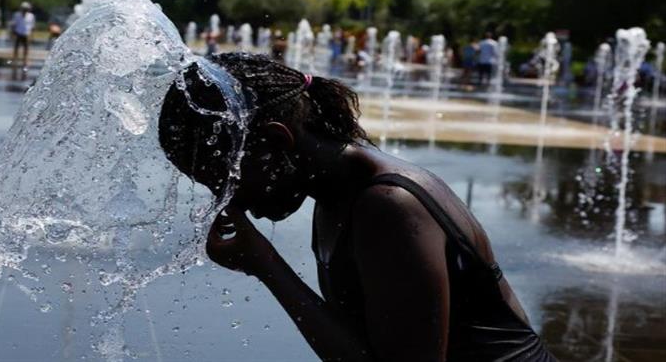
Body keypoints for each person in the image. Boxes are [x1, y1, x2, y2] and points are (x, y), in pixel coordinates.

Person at [158, 53, 557, 362]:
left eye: (226, 179)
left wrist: (268, 266)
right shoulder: (337, 189)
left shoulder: (389, 206)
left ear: (277, 143)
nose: (225, 199)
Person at [10, 1, 35, 71]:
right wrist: (12, 33)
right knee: (16, 48)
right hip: (18, 33)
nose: (24, 10)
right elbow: (14, 25)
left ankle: (25, 62)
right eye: (23, 9)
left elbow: (32, 27)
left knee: (26, 49)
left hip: (26, 34)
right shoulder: (17, 15)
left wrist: (32, 36)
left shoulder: (31, 16)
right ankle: (14, 61)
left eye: (26, 9)